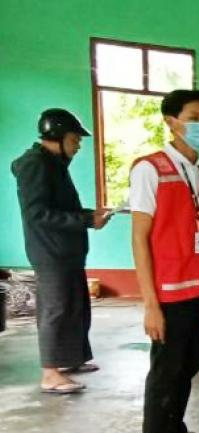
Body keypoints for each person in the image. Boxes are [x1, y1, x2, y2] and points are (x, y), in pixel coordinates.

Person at [130, 89, 199, 433]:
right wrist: (150, 304)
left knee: (187, 367)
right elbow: (139, 237)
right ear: (171, 122)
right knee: (165, 373)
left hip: (198, 288)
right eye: (194, 117)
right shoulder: (149, 169)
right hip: (168, 292)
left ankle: (176, 432)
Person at [11, 108, 111, 394]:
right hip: (50, 251)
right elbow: (37, 214)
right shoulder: (35, 165)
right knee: (55, 308)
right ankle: (50, 374)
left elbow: (60, 207)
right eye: (74, 139)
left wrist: (90, 215)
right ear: (56, 136)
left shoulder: (53, 164)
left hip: (66, 250)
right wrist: (85, 221)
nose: (78, 145)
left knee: (75, 305)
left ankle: (71, 360)